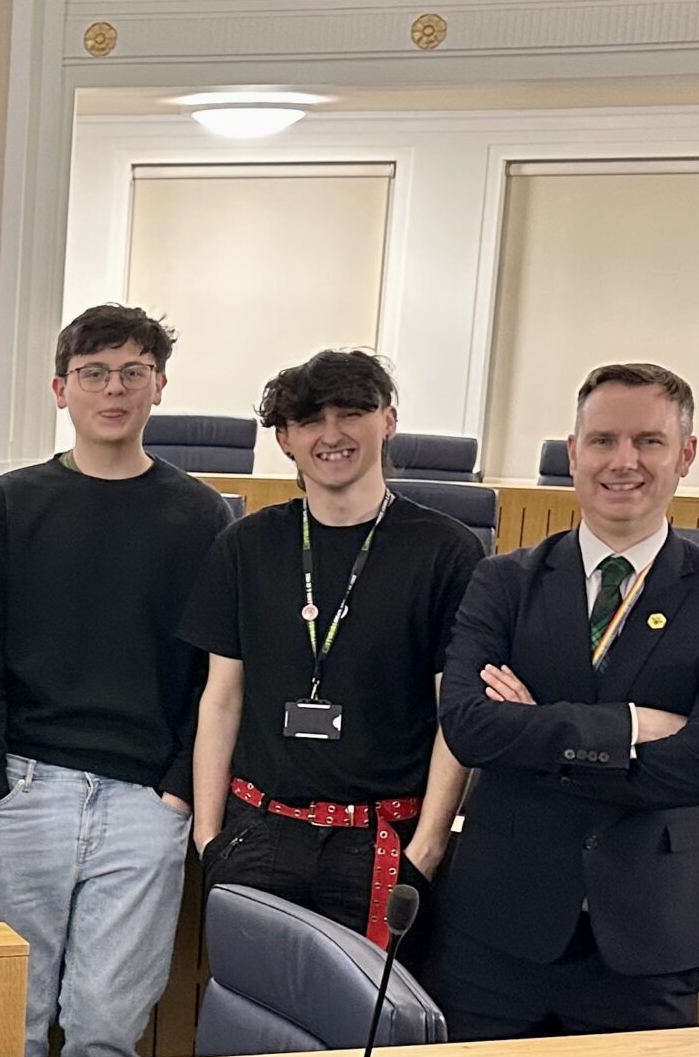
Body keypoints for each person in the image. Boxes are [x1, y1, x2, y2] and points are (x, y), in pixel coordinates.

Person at [436, 363, 699, 1037]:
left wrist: (535, 729)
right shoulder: (504, 582)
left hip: (650, 939)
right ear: (573, 453)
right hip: (498, 933)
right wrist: (628, 728)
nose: (624, 462)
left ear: (687, 454)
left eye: (648, 441)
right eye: (603, 441)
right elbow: (470, 728)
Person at [0, 307, 233, 1057]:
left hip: (145, 807)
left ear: (159, 387)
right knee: (8, 1031)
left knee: (107, 1030)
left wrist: (177, 787)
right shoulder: (14, 501)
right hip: (24, 792)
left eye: (133, 372)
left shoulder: (201, 515)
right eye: (95, 373)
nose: (114, 389)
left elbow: (216, 670)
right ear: (60, 389)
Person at [182, 350, 479, 950]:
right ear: (286, 439)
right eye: (311, 421)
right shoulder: (245, 546)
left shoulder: (447, 551)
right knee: (252, 1028)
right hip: (258, 833)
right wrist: (209, 836)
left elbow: (458, 716)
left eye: (352, 413)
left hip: (382, 840)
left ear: (388, 421)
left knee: (370, 1035)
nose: (333, 435)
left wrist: (428, 844)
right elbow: (221, 698)